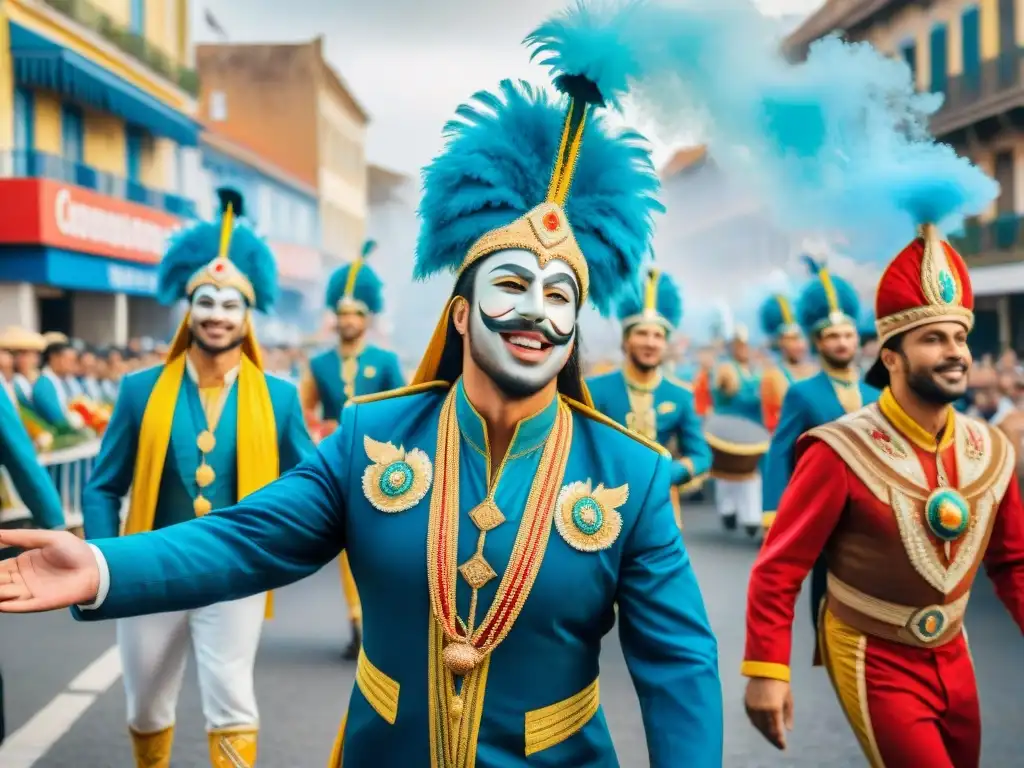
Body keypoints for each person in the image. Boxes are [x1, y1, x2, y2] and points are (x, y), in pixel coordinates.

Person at [0, 9, 724, 766]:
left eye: (560, 297)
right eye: (512, 285)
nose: (537, 313)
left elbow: (680, 664)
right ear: (460, 313)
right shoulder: (372, 439)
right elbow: (245, 538)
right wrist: (102, 565)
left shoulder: (631, 474)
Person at [742, 223, 1024, 766]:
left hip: (954, 651)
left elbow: (1013, 562)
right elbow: (780, 567)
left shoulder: (991, 449)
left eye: (960, 337)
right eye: (933, 339)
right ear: (890, 357)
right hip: (872, 652)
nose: (955, 353)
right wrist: (766, 670)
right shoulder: (838, 450)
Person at [78, 188, 316, 768]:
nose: (216, 314)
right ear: (189, 310)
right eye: (205, 302)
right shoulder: (139, 390)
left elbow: (312, 486)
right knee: (145, 706)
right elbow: (103, 485)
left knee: (232, 700)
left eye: (231, 305)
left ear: (247, 317)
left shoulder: (279, 398)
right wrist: (105, 561)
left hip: (235, 571)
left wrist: (289, 544)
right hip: (150, 565)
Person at [301, 239, 405, 660]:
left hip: (379, 463)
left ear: (367, 318)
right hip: (336, 462)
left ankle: (381, 622)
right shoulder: (318, 364)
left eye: (355, 314)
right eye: (342, 314)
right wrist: (317, 432)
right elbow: (302, 411)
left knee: (379, 544)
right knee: (347, 542)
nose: (347, 321)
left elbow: (403, 410)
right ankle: (358, 623)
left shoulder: (385, 360)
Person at [760, 258, 880, 564]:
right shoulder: (802, 393)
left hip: (873, 510)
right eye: (833, 336)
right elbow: (780, 452)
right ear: (818, 341)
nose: (842, 343)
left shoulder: (876, 394)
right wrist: (774, 511)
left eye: (848, 335)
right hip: (821, 509)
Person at [587, 267, 712, 523]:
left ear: (665, 344)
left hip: (660, 507)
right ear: (626, 340)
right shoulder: (594, 389)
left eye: (658, 336)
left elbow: (701, 454)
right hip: (601, 506)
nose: (650, 342)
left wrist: (669, 473)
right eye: (642, 333)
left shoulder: (680, 394)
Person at [710, 319, 765, 535]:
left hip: (752, 429)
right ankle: (728, 510)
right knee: (726, 472)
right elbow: (724, 391)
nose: (744, 349)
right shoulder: (725, 369)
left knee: (751, 473)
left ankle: (751, 517)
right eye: (739, 345)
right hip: (728, 428)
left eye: (746, 345)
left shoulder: (756, 370)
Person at [757, 292, 816, 434]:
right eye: (791, 339)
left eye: (800, 338)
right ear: (780, 342)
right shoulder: (772, 377)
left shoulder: (816, 370)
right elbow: (772, 424)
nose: (798, 344)